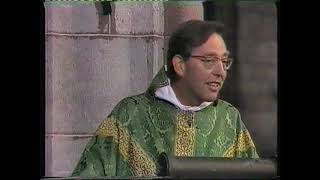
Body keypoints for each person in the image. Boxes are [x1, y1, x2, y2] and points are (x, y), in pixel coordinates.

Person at [71, 20, 259, 177]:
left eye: (224, 62)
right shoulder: (131, 115)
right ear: (180, 65)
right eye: (209, 60)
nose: (220, 72)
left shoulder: (228, 119)